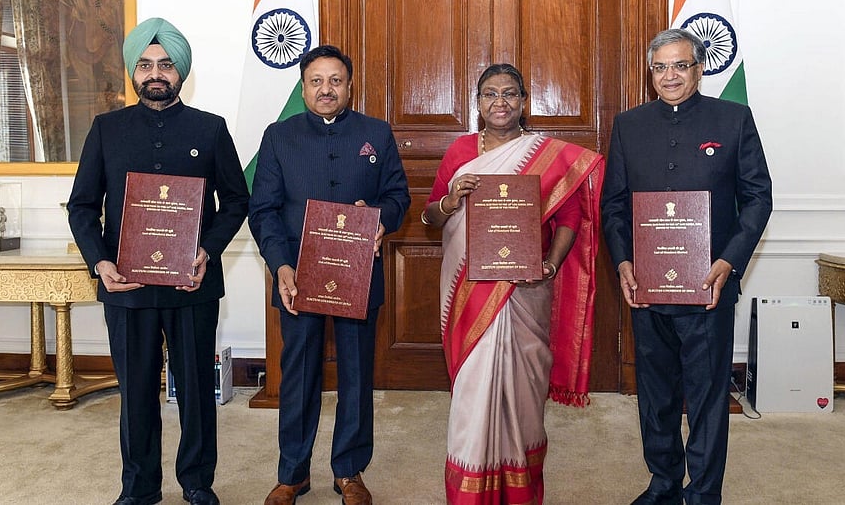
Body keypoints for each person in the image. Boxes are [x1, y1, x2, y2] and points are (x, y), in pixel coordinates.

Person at [67, 17, 249, 505]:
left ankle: (197, 483)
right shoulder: (106, 130)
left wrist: (207, 250)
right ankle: (139, 487)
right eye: (145, 64)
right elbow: (83, 205)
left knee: (195, 391)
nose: (155, 73)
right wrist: (100, 263)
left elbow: (235, 200)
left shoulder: (210, 130)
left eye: (165, 64)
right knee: (137, 395)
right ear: (132, 71)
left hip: (192, 286)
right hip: (126, 287)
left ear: (180, 71)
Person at [600, 29, 773, 505]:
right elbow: (613, 205)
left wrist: (728, 261)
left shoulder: (733, 119)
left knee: (706, 399)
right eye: (660, 67)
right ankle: (662, 484)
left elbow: (758, 198)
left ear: (700, 68)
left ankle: (703, 492)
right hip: (646, 287)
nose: (670, 76)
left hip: (708, 288)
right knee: (654, 397)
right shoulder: (628, 125)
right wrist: (623, 262)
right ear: (650, 73)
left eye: (680, 65)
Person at [423, 63, 604, 504]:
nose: (499, 102)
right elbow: (430, 216)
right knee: (472, 396)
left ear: (523, 101)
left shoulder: (548, 154)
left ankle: (520, 489)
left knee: (523, 399)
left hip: (526, 291)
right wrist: (451, 198)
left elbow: (570, 218)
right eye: (489, 94)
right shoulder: (461, 152)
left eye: (509, 94)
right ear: (478, 103)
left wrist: (551, 264)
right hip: (469, 291)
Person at [248, 45, 410, 505]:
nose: (326, 89)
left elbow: (399, 197)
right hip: (298, 276)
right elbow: (263, 211)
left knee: (358, 374)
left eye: (335, 80)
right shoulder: (278, 136)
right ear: (303, 87)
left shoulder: (376, 134)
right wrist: (281, 265)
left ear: (349, 86)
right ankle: (292, 473)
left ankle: (350, 470)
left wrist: (378, 219)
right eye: (316, 80)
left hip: (359, 276)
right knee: (298, 375)